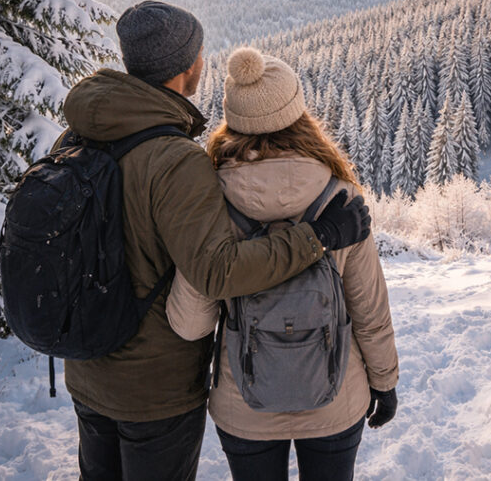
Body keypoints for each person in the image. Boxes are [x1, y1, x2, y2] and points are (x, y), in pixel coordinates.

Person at [60, 1, 371, 481]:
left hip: (90, 367)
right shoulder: (177, 160)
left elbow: (191, 309)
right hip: (156, 385)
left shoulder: (78, 134)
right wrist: (319, 237)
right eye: (200, 53)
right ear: (188, 68)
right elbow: (215, 272)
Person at [167, 46, 399, 481]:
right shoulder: (340, 199)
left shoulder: (212, 203)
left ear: (232, 120)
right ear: (298, 115)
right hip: (335, 398)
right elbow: (369, 311)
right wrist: (384, 383)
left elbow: (190, 323)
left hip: (245, 406)